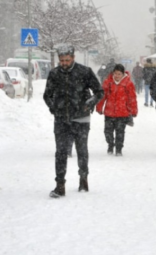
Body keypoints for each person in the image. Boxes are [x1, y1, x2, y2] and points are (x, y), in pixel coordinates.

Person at [43, 44, 104, 198]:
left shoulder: (84, 72)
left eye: (67, 60)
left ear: (73, 58)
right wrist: (54, 108)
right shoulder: (54, 74)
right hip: (61, 119)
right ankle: (60, 185)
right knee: (61, 152)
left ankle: (83, 179)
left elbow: (99, 92)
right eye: (62, 60)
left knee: (82, 151)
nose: (64, 63)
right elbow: (47, 95)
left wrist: (89, 104)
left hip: (81, 118)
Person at [96, 64, 138, 156]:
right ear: (113, 73)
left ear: (123, 74)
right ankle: (110, 144)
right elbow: (103, 96)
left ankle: (119, 149)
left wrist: (134, 111)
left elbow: (132, 98)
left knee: (120, 133)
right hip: (109, 112)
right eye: (115, 73)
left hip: (122, 113)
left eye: (119, 74)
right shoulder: (108, 82)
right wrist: (99, 107)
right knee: (108, 132)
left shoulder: (128, 84)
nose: (117, 76)